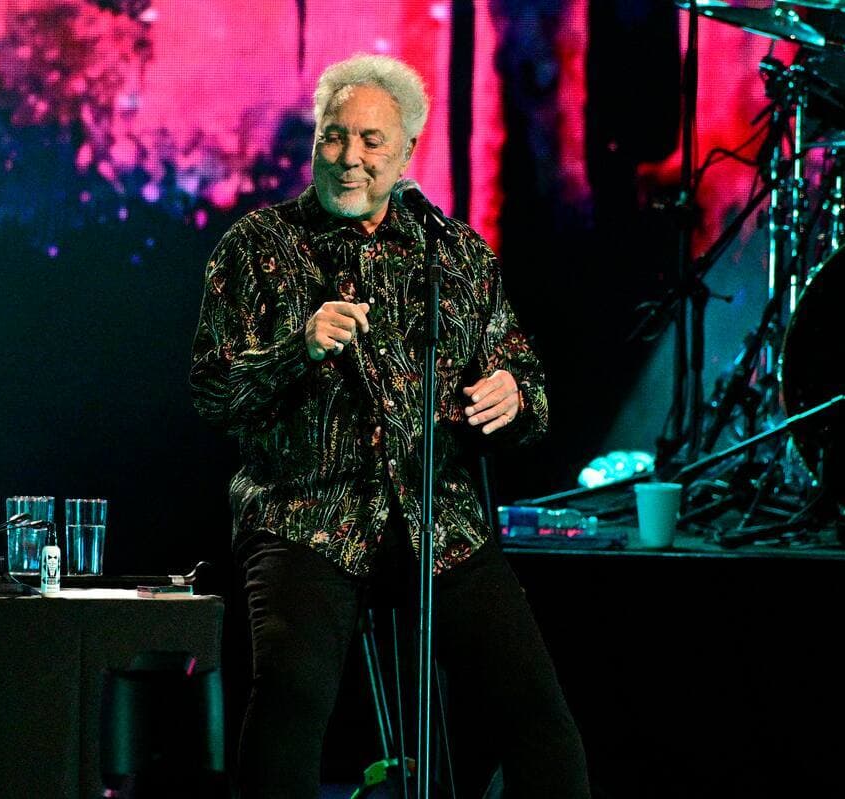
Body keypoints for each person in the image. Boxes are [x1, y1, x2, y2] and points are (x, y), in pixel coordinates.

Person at [190, 53, 590, 799]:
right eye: (334, 136)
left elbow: (527, 383)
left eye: (371, 140)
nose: (349, 156)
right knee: (288, 699)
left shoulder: (454, 252)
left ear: (407, 152)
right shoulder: (258, 246)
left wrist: (513, 398)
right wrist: (297, 349)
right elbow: (212, 393)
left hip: (438, 518)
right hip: (306, 513)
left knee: (539, 716)